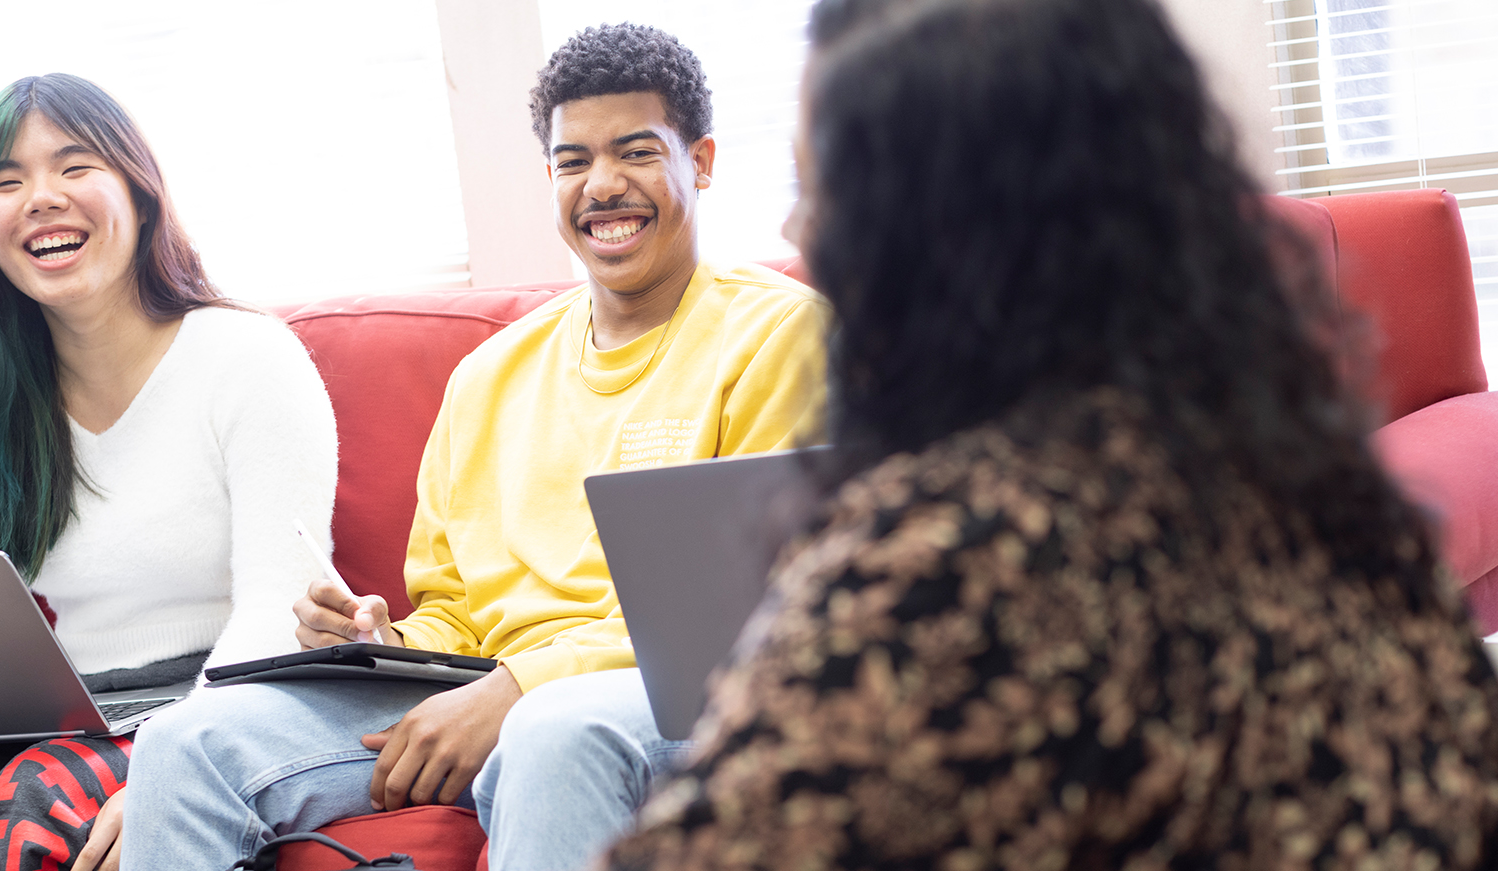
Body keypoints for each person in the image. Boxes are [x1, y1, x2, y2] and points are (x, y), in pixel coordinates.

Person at [602, 0, 1498, 868]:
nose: (797, 229)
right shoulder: (1312, 494)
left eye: (819, 189)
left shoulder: (960, 558)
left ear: (938, 235)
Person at [122, 23, 830, 871]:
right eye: (573, 162)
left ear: (701, 160)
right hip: (483, 687)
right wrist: (383, 639)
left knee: (547, 733)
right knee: (184, 742)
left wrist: (521, 685)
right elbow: (454, 607)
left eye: (635, 152)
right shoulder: (490, 374)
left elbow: (736, 612)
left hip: (668, 695)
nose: (602, 185)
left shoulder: (777, 334)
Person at [0, 74, 339, 871]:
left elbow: (276, 605)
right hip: (49, 710)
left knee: (37, 798)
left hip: (209, 698)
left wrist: (175, 763)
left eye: (75, 166)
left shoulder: (247, 358)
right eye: (6, 181)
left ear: (141, 193)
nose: (40, 197)